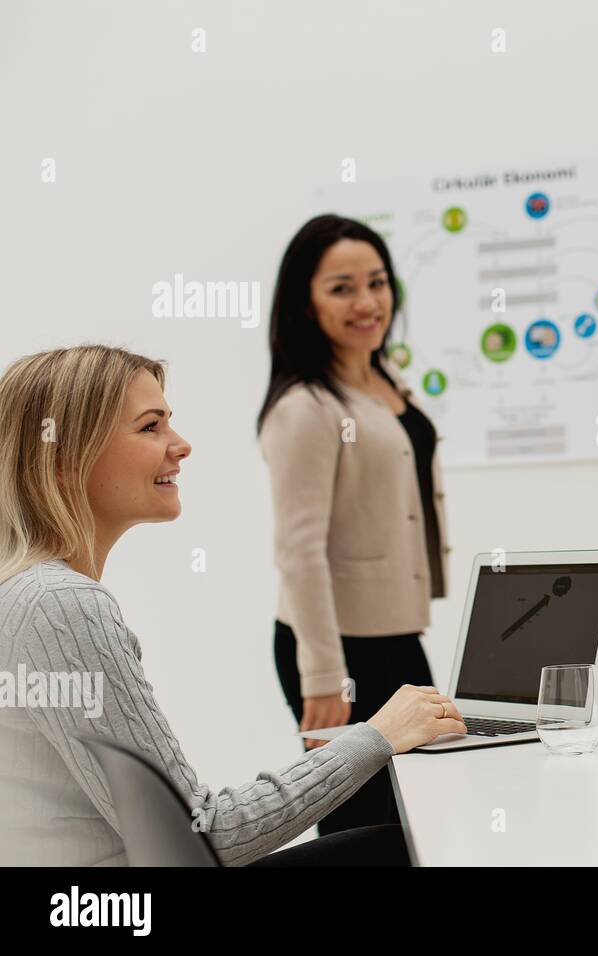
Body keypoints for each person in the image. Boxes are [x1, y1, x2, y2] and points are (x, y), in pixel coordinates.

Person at [0, 345, 465, 866]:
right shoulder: (60, 606)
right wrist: (376, 736)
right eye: (150, 427)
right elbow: (201, 834)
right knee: (400, 848)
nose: (182, 446)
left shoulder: (25, 592)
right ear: (63, 462)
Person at [257, 215, 451, 834]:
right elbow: (299, 550)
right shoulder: (305, 406)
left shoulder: (383, 383)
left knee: (418, 812)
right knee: (362, 827)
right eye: (341, 287)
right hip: (339, 647)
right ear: (304, 302)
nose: (366, 301)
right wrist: (322, 675)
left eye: (377, 282)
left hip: (394, 634)